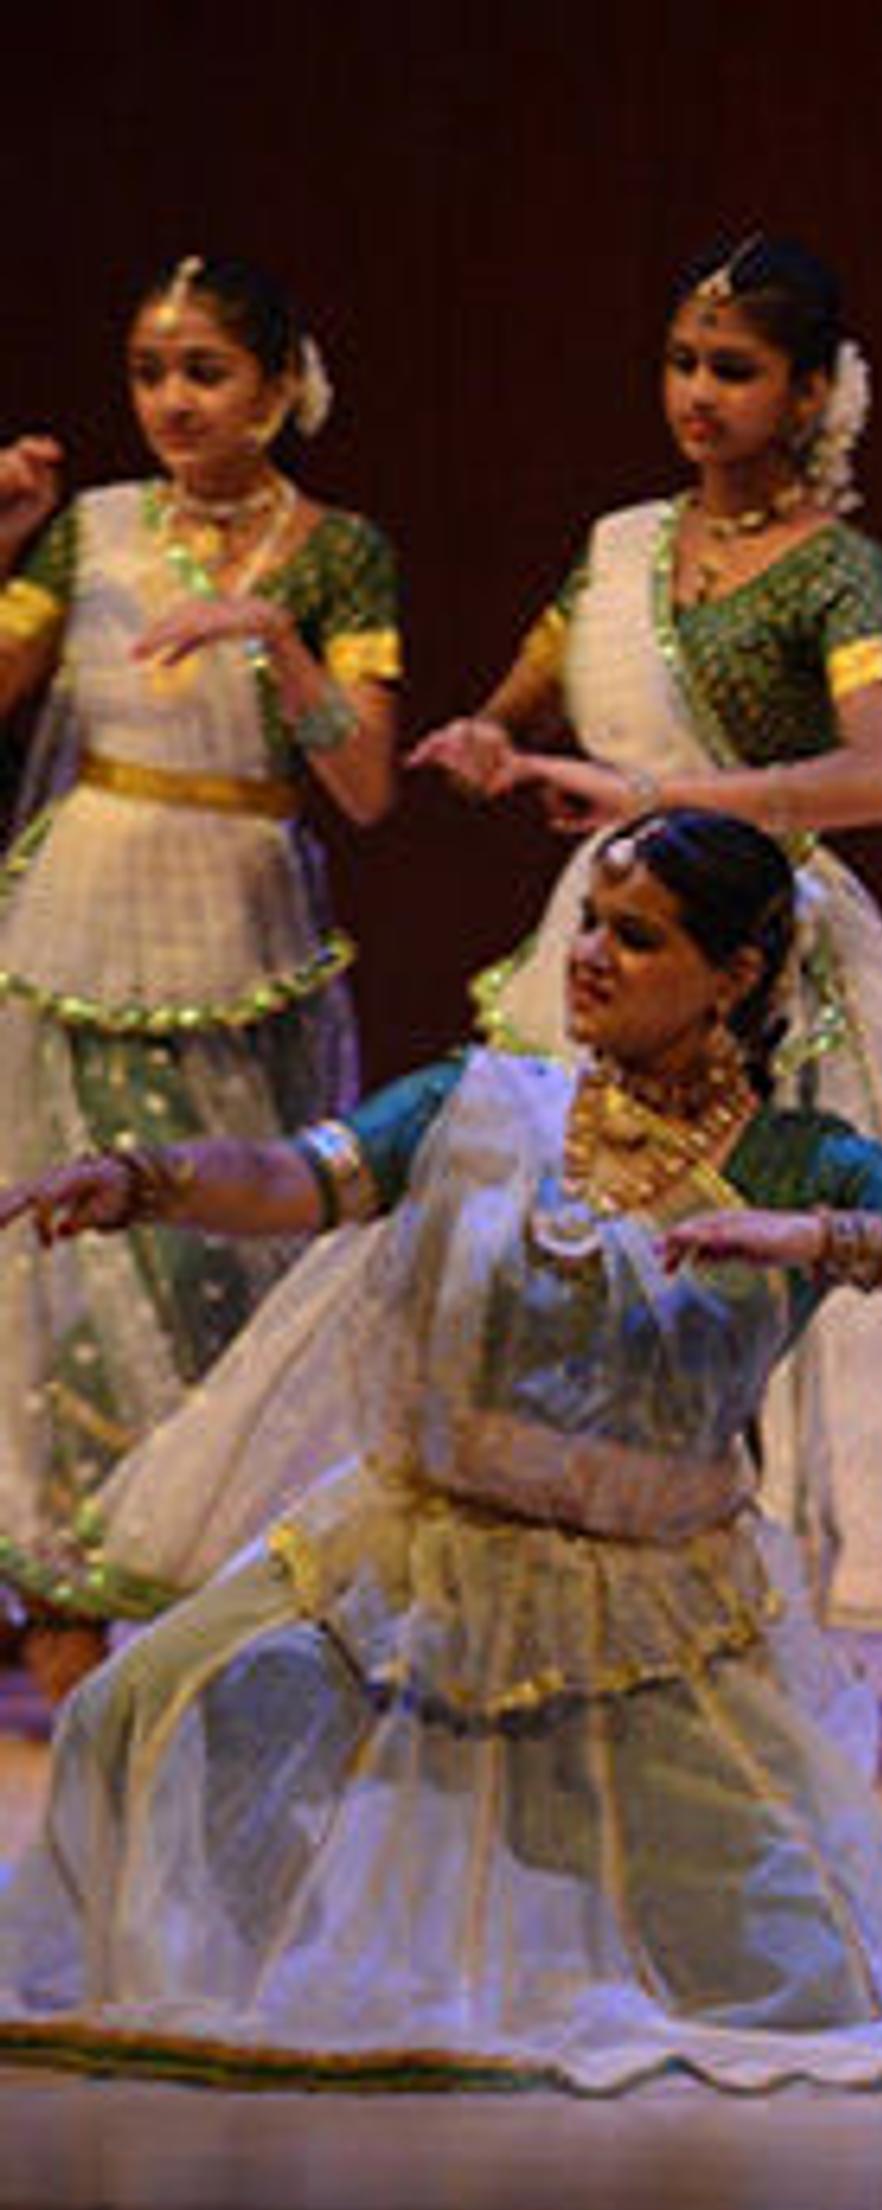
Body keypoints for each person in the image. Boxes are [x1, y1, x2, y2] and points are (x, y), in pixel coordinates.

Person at [0, 812, 882, 2089]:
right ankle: (208, 1977)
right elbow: (294, 1177)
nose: (588, 957)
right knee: (146, 1702)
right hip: (409, 1570)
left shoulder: (801, 1160)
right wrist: (147, 1180)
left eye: (637, 937)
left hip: (644, 1617)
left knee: (800, 1989)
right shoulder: (479, 1103)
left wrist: (825, 1241)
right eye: (586, 923)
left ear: (735, 977)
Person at [390, 233, 882, 1646]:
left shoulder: (843, 574)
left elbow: (880, 778)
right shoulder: (621, 548)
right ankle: (550, 1546)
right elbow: (524, 704)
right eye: (682, 362)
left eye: (734, 369)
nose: (698, 394)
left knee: (748, 1243)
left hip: (752, 941)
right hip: (610, 927)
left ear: (809, 395)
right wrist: (485, 740)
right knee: (563, 1219)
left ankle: (753, 1586)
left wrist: (659, 796)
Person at [0, 255, 398, 1696]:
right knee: (79, 1262)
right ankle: (65, 1596)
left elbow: (362, 784)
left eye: (205, 370)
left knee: (230, 1260)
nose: (172, 398)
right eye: (150, 372)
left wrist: (276, 638)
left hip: (247, 932)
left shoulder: (338, 552)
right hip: (86, 920)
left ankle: (215, 1593)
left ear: (281, 387)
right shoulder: (90, 532)